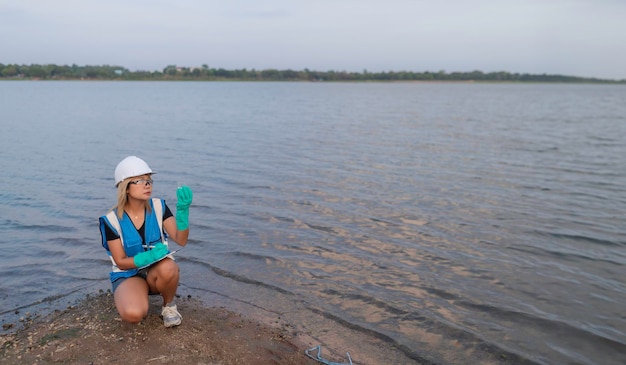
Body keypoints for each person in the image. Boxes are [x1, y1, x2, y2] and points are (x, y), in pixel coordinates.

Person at [99, 156, 193, 327]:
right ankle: (132, 294)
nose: (147, 184)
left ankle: (168, 305)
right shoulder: (110, 220)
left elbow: (181, 240)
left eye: (149, 180)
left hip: (156, 272)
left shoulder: (159, 207)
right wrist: (147, 257)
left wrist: (183, 211)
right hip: (129, 274)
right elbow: (120, 261)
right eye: (140, 181)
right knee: (133, 314)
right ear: (125, 187)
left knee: (169, 267)